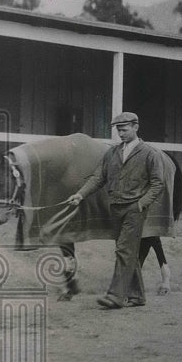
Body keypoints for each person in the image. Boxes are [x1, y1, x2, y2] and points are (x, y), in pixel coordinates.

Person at [67, 112, 165, 309]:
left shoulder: (150, 153)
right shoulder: (111, 153)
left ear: (136, 127)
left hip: (135, 209)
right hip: (116, 208)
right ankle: (137, 296)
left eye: (124, 128)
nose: (120, 133)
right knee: (127, 251)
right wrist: (80, 195)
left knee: (124, 249)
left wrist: (141, 203)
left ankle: (115, 296)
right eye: (118, 129)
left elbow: (157, 183)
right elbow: (97, 178)